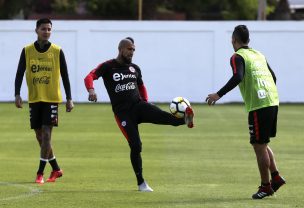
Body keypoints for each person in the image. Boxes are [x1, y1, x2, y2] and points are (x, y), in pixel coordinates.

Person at [84, 37, 194, 192]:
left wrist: (146, 101)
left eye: (134, 50)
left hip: (139, 106)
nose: (132, 52)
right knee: (136, 145)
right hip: (123, 114)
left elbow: (141, 86)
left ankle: (187, 119)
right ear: (121, 49)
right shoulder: (108, 66)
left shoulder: (135, 68)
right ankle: (141, 183)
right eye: (129, 49)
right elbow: (89, 76)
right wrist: (91, 90)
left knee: (168, 118)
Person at [205, 25, 285, 199]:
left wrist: (218, 94)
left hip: (259, 105)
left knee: (258, 147)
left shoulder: (237, 56)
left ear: (233, 40)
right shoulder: (259, 55)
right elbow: (274, 77)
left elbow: (238, 76)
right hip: (272, 100)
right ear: (248, 40)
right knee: (262, 143)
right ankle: (276, 177)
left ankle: (266, 186)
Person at [14, 18, 74, 184]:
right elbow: (19, 73)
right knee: (40, 137)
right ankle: (56, 168)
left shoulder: (57, 50)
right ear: (36, 30)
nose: (46, 32)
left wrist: (69, 98)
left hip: (51, 99)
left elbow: (65, 75)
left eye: (49, 29)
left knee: (47, 134)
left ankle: (40, 173)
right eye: (43, 29)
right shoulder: (27, 50)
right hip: (34, 98)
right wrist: (17, 94)